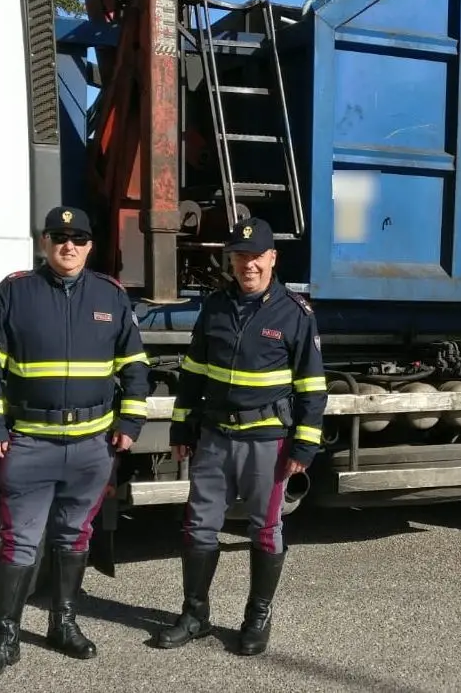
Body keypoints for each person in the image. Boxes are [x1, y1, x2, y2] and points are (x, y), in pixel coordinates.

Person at [0, 205, 151, 681]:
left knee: (74, 536)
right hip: (31, 442)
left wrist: (130, 423)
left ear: (90, 246)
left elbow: (135, 366)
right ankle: (4, 638)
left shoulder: (110, 295)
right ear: (44, 242)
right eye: (59, 237)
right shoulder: (16, 292)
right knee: (20, 542)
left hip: (91, 446)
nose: (69, 246)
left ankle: (62, 624)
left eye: (79, 239)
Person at [153, 216, 328, 656]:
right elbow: (192, 372)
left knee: (265, 530)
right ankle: (194, 615)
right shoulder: (215, 307)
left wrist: (304, 445)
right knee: (198, 527)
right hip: (214, 438)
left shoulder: (295, 313)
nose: (247, 265)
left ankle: (257, 617)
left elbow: (312, 386)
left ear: (272, 258)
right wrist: (181, 425)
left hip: (268, 442)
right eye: (239, 257)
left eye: (255, 256)